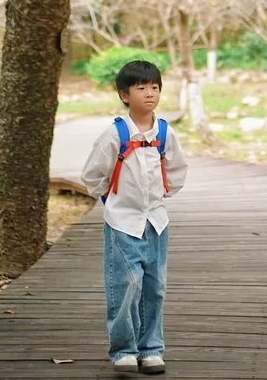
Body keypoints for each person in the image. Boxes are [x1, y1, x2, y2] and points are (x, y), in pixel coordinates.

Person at [81, 60, 188, 375]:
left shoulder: (165, 132)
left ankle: (151, 349)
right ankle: (124, 350)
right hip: (122, 222)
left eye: (154, 87)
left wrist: (161, 195)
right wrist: (111, 199)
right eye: (141, 88)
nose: (150, 93)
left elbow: (177, 170)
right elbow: (93, 176)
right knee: (126, 285)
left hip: (156, 221)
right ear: (124, 94)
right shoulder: (115, 133)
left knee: (155, 287)